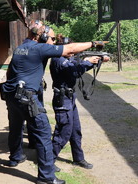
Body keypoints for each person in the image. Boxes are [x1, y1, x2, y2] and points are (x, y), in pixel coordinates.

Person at [1, 20, 106, 184]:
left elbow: (10, 72)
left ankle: (15, 157)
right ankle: (46, 177)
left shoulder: (20, 48)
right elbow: (70, 48)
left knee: (15, 128)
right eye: (50, 38)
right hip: (27, 97)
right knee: (43, 134)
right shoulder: (39, 47)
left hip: (12, 95)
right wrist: (94, 43)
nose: (52, 42)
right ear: (41, 37)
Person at [49, 34, 110, 172]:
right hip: (62, 99)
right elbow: (75, 71)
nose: (72, 53)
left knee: (75, 131)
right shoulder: (58, 60)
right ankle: (49, 161)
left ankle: (78, 158)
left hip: (70, 98)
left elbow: (76, 66)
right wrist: (88, 62)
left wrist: (97, 60)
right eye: (70, 50)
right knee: (63, 131)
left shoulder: (64, 58)